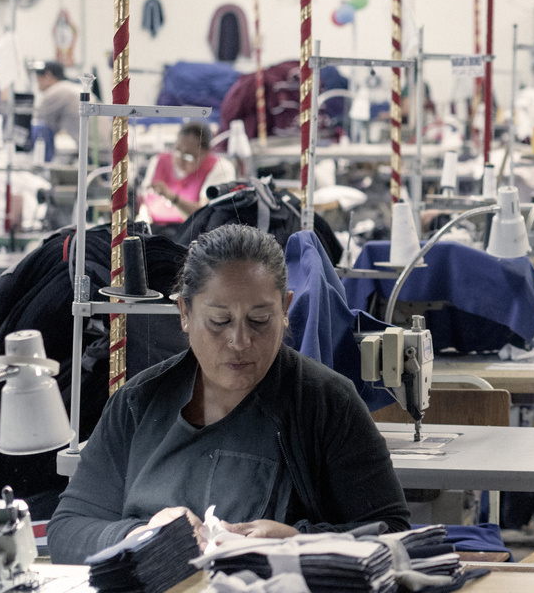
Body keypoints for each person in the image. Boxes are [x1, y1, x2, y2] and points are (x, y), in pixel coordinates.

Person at [47, 225, 410, 563]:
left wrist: (297, 543)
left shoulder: (328, 404)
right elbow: (68, 531)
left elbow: (394, 536)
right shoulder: (137, 404)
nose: (240, 341)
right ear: (184, 312)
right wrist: (143, 534)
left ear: (285, 310)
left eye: (260, 320)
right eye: (219, 321)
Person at [141, 121, 236, 224]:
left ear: (206, 152)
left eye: (189, 156)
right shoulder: (158, 160)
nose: (180, 159)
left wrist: (172, 198)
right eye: (177, 150)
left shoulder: (219, 168)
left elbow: (204, 216)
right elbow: (144, 198)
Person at [34, 61, 83, 142]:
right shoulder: (70, 87)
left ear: (48, 75)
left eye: (38, 78)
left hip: (93, 150)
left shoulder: (56, 91)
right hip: (100, 146)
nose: (37, 82)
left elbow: (39, 123)